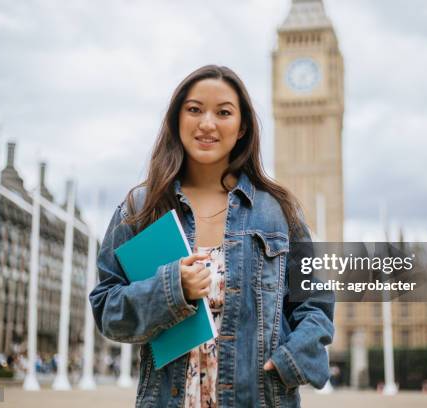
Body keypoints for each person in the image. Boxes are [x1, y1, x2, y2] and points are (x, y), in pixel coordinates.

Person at [90, 65, 334, 407]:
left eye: (223, 112)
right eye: (194, 110)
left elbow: (316, 305)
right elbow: (106, 310)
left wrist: (288, 363)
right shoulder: (141, 209)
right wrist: (172, 288)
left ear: (242, 126)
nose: (207, 123)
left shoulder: (278, 212)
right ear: (177, 119)